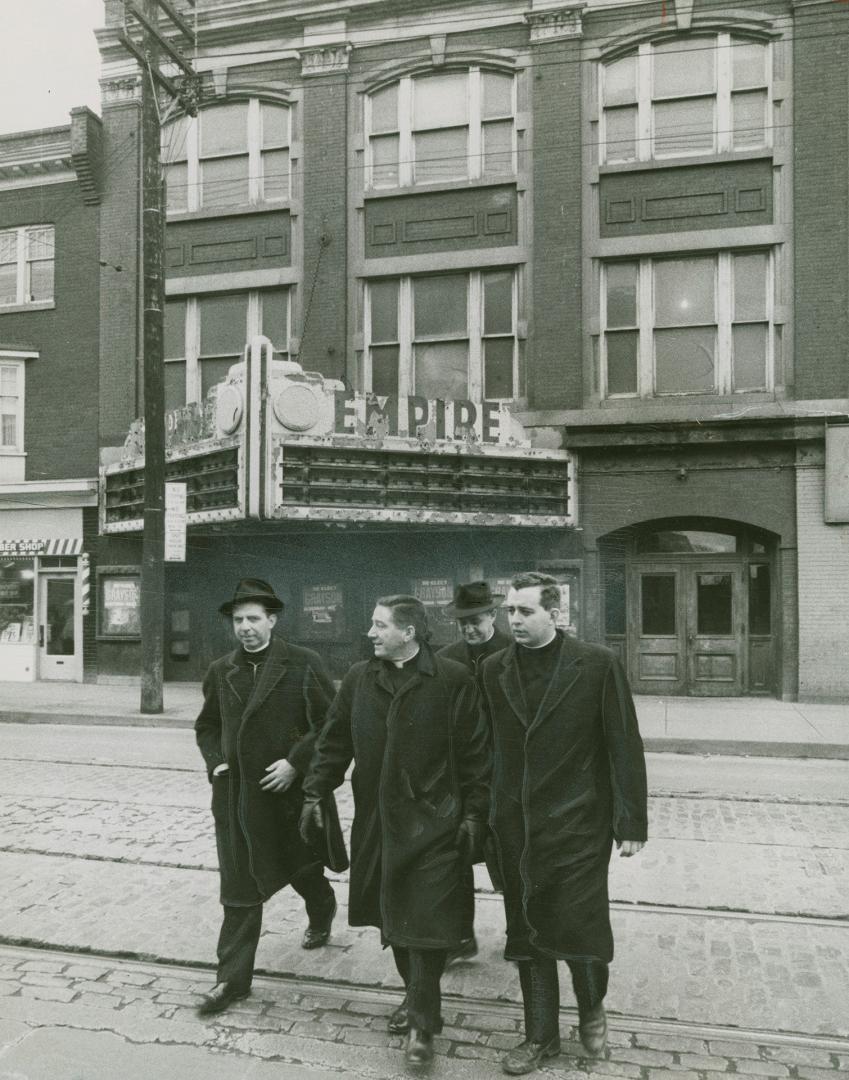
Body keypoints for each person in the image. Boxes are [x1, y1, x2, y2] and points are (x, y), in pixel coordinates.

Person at [300, 595, 490, 1068]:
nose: (370, 632)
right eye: (372, 623)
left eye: (380, 625)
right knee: (396, 926)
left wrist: (472, 815)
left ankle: (423, 1027)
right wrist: (314, 792)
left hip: (436, 825)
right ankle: (416, 995)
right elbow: (334, 740)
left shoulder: (452, 679)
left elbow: (477, 756)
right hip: (379, 824)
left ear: (409, 632)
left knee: (425, 925)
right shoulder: (363, 680)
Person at [480, 572, 647, 1076]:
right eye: (510, 612)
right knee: (526, 931)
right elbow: (484, 746)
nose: (515, 621)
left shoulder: (596, 665)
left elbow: (623, 743)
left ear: (556, 614)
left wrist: (631, 821)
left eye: (525, 612)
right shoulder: (493, 669)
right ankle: (540, 1037)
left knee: (580, 928)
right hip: (516, 826)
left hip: (578, 824)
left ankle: (592, 1013)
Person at [194, 578, 347, 1017]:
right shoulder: (221, 670)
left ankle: (322, 909)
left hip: (287, 798)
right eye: (238, 620)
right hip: (238, 800)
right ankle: (231, 980)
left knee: (301, 870)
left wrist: (295, 763)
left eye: (254, 619)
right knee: (240, 888)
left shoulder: (302, 662)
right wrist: (216, 762)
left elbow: (331, 724)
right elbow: (206, 726)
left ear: (273, 620)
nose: (245, 627)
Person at [437, 580, 512, 963]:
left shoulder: (514, 654)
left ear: (493, 616)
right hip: (462, 772)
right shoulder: (447, 658)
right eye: (462, 622)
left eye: (476, 620)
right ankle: (461, 937)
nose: (469, 628)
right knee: (457, 854)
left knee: (508, 852)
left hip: (504, 771)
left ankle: (520, 930)